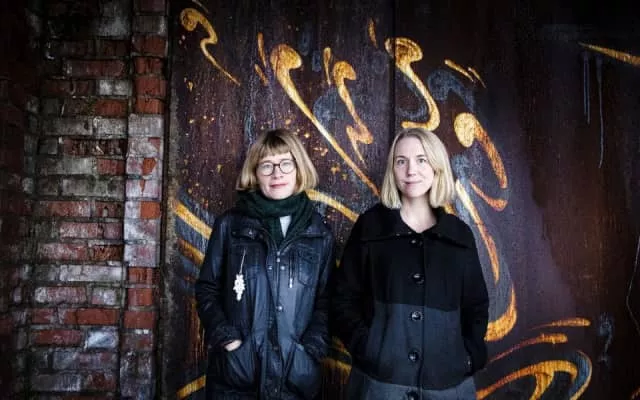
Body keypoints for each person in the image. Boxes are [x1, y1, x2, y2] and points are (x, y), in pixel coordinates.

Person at [331, 127, 489, 399]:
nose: (410, 170)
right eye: (401, 161)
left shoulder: (459, 234)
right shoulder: (371, 227)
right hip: (380, 386)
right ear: (392, 170)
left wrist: (467, 357)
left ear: (437, 166)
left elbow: (476, 306)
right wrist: (369, 348)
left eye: (421, 160)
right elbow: (342, 298)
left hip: (447, 388)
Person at [196, 128, 335, 399]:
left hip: (294, 380)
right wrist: (229, 340)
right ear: (255, 173)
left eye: (285, 163)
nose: (277, 173)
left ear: (299, 169)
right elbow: (206, 289)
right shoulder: (230, 226)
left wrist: (309, 351)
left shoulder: (319, 234)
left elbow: (326, 301)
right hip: (237, 379)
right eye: (267, 165)